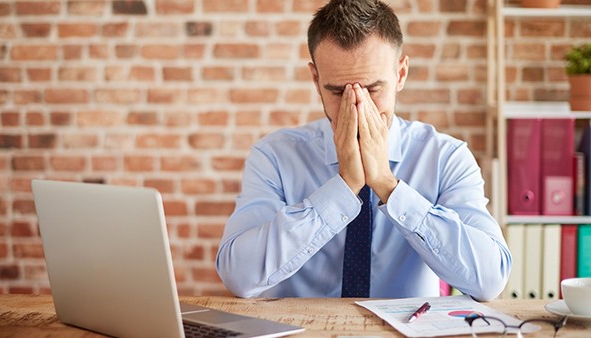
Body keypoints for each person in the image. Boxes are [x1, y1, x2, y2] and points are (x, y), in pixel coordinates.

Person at [216, 0, 511, 301]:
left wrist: (386, 184)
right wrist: (343, 188)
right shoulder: (274, 157)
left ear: (401, 74)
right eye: (336, 91)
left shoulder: (445, 157)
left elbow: (489, 280)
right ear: (316, 80)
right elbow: (241, 278)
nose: (356, 106)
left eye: (372, 89)